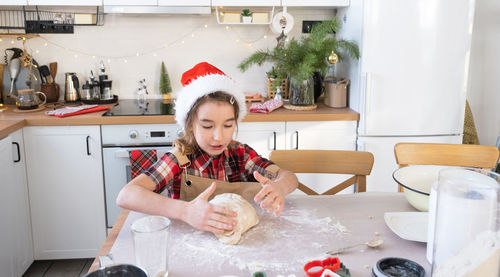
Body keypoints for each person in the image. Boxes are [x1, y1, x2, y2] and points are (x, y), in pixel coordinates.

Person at [116, 62, 298, 235]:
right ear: (190, 124)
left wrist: (280, 187)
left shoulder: (241, 154)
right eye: (207, 126)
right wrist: (185, 211)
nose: (219, 137)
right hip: (188, 246)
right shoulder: (180, 159)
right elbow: (126, 196)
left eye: (227, 126)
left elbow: (288, 177)